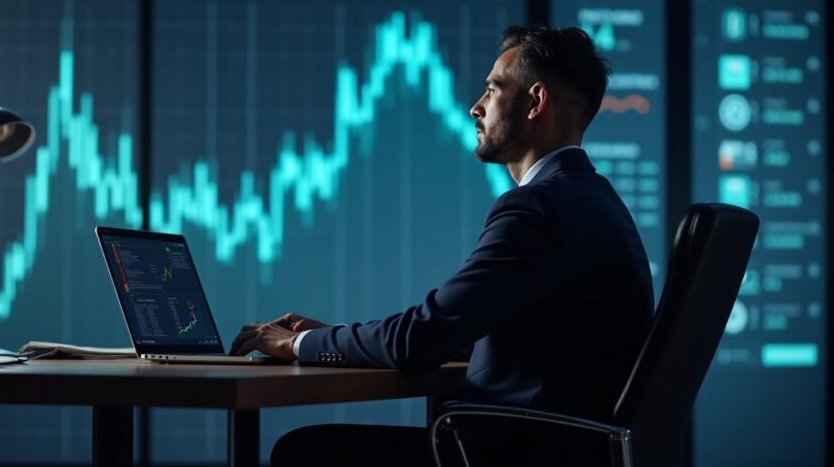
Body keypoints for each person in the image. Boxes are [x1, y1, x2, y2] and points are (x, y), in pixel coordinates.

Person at [230, 25, 655, 466]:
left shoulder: (537, 208)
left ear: (535, 101)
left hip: (513, 451)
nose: (476, 107)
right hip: (569, 450)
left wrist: (299, 345)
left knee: (304, 452)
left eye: (492, 89)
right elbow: (516, 339)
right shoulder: (598, 200)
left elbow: (421, 338)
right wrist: (330, 337)